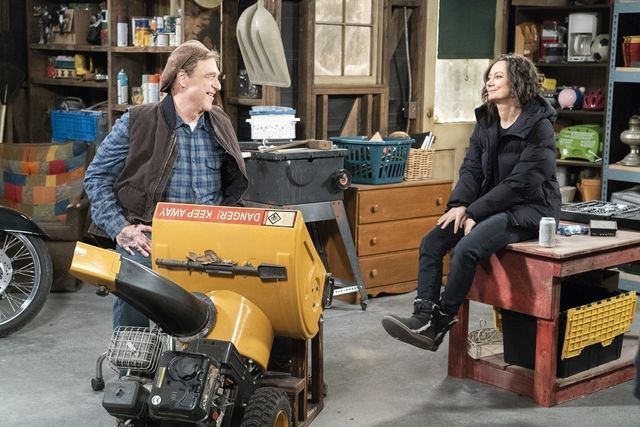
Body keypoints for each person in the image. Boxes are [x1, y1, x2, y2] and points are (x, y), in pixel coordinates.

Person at [382, 53, 561, 352]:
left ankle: (440, 323)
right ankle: (423, 317)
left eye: (498, 76)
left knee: (466, 249)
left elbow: (521, 183)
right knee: (432, 241)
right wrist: (460, 204)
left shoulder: (539, 127)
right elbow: (471, 168)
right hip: (490, 205)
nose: (490, 81)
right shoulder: (487, 120)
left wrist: (476, 211)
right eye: (489, 77)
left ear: (518, 82)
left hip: (528, 209)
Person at [84, 40, 248, 329]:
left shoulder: (220, 122)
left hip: (211, 235)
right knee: (133, 280)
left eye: (217, 78)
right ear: (183, 78)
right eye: (210, 77)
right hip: (153, 237)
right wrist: (120, 228)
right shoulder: (138, 121)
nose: (218, 86)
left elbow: (231, 189)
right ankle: (133, 352)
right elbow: (96, 177)